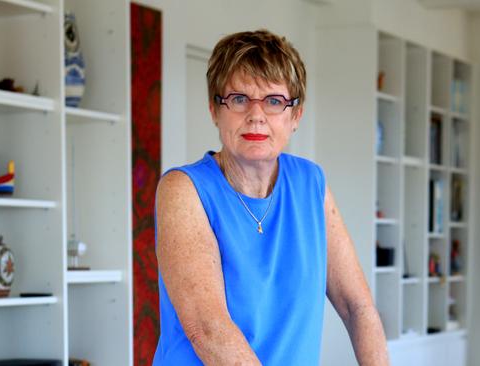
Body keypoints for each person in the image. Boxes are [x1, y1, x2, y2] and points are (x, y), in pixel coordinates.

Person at [153, 29, 389, 365]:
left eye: (274, 101)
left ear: (296, 116)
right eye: (238, 99)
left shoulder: (311, 184)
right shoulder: (184, 189)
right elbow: (207, 328)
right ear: (214, 109)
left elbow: (358, 307)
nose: (256, 115)